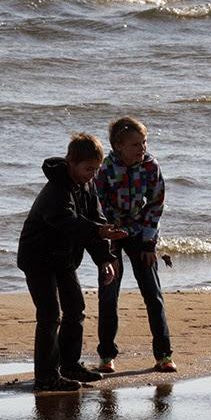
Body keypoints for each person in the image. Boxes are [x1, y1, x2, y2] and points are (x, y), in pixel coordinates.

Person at [17, 133, 127, 392]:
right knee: (50, 314)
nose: (92, 174)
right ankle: (45, 376)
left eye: (96, 169)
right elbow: (66, 221)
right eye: (88, 168)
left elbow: (96, 222)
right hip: (38, 258)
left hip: (63, 258)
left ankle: (69, 365)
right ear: (71, 163)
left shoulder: (88, 187)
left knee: (75, 309)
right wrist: (99, 232)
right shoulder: (57, 189)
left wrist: (105, 259)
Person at [94, 116, 176, 374]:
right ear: (118, 146)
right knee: (109, 295)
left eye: (144, 142)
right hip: (111, 233)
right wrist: (110, 233)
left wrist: (149, 244)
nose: (142, 148)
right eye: (135, 145)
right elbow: (97, 204)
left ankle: (163, 355)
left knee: (153, 294)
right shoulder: (105, 168)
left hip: (142, 234)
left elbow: (155, 206)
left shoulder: (151, 167)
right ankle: (106, 356)